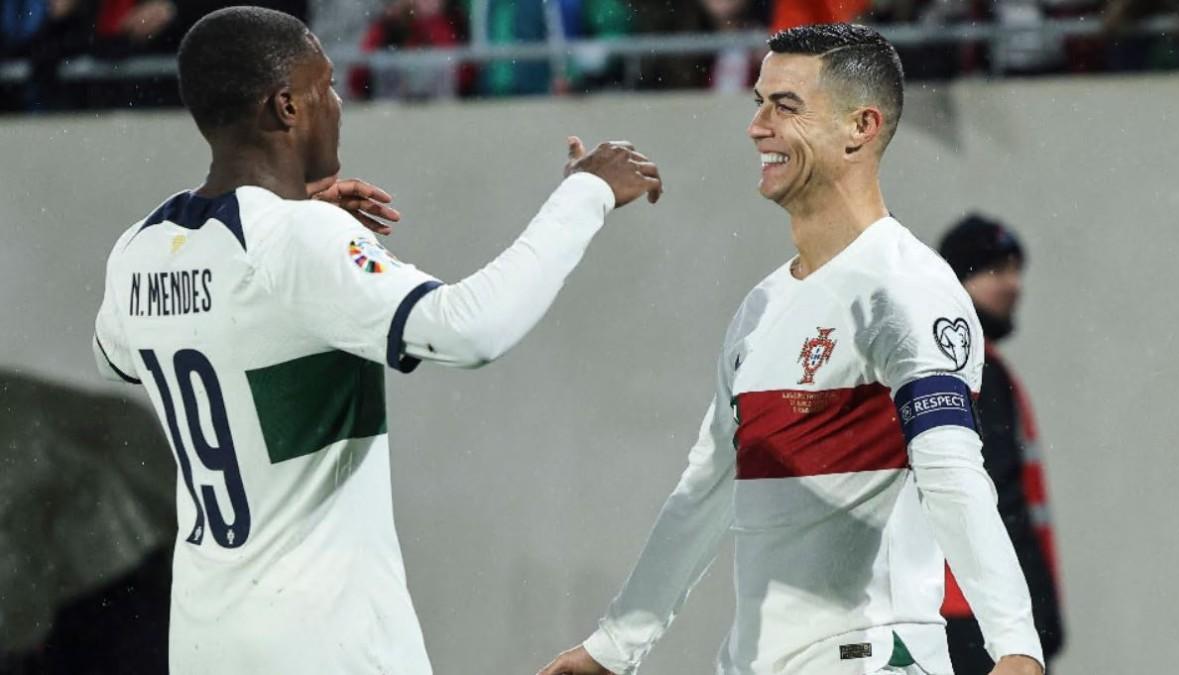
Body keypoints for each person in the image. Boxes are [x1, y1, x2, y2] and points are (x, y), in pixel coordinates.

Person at [91, 6, 662, 674]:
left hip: (205, 643)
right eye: (324, 86)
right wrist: (585, 194)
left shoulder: (141, 248)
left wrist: (294, 245)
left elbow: (117, 355)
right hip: (325, 644)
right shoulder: (299, 242)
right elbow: (470, 328)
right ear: (285, 107)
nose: (335, 103)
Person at [539, 24, 1044, 675]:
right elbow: (706, 488)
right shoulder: (759, 309)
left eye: (785, 105)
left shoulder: (909, 288)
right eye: (758, 101)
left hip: (871, 659)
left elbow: (952, 472)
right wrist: (613, 646)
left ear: (859, 127)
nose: (757, 126)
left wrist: (1016, 644)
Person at [937, 215, 1066, 674]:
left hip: (967, 611)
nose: (1013, 284)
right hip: (981, 616)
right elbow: (998, 498)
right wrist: (1035, 613)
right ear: (959, 280)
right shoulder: (977, 374)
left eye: (1015, 270)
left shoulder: (970, 365)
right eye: (995, 271)